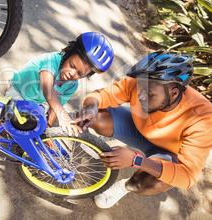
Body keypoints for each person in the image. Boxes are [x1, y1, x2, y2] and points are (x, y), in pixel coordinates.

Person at [72, 51, 212, 208]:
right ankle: (110, 139)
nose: (141, 96)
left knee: (155, 182)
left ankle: (124, 186)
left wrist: (135, 159)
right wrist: (90, 107)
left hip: (169, 153)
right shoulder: (145, 84)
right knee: (96, 117)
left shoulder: (202, 118)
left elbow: (186, 177)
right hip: (139, 130)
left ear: (174, 93)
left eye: (149, 94)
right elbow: (101, 95)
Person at [0, 32, 114, 135]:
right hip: (19, 92)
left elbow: (55, 106)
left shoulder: (72, 85)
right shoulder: (51, 60)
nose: (72, 74)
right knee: (2, 126)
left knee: (35, 128)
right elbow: (47, 89)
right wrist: (62, 115)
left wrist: (48, 129)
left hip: (41, 103)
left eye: (80, 74)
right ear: (67, 54)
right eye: (72, 66)